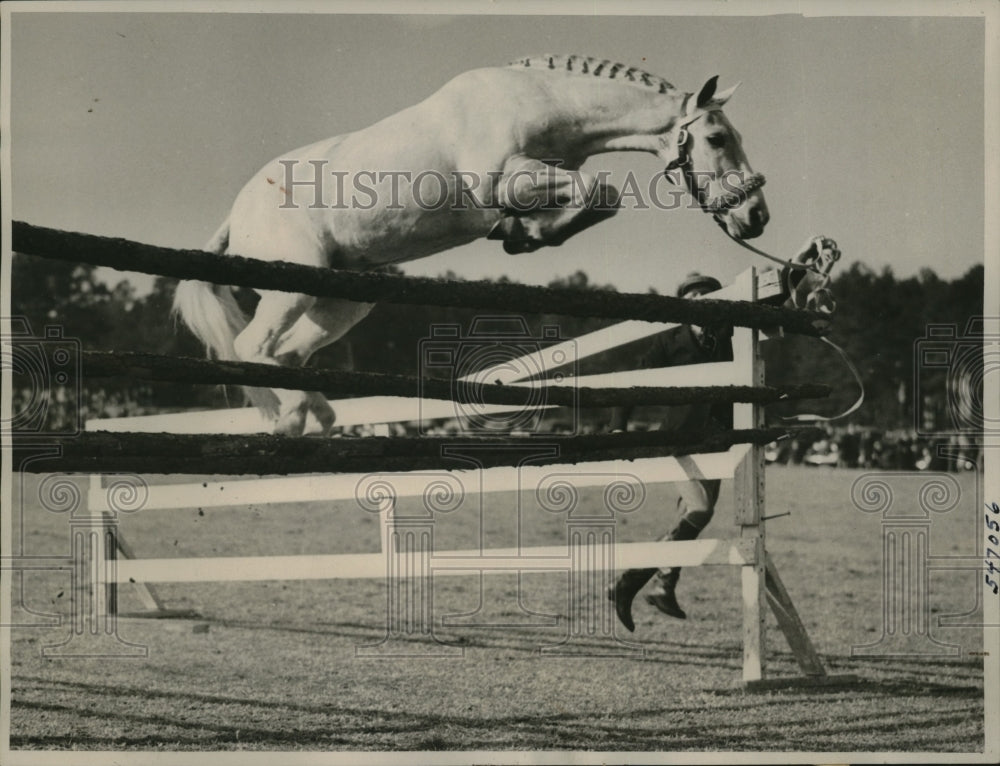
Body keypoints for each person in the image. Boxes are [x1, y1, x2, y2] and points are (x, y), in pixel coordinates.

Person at [607, 271, 733, 632]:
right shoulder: (669, 341)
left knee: (693, 518)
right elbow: (634, 381)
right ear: (683, 304)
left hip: (719, 442)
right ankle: (630, 582)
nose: (701, 302)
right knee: (700, 508)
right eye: (693, 297)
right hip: (677, 442)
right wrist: (619, 425)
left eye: (708, 296)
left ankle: (664, 585)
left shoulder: (733, 335)